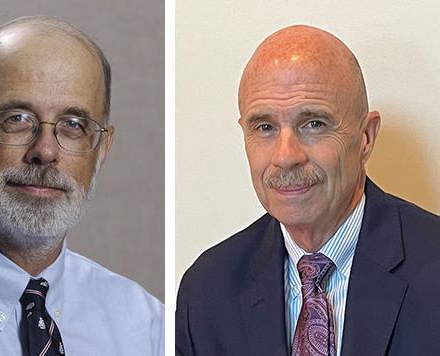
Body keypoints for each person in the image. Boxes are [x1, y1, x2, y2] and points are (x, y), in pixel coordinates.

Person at [0, 16, 163, 355]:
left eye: (73, 124)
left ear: (101, 151)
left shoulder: (146, 326)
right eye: (17, 119)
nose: (46, 151)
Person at [176, 25, 440, 356]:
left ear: (366, 138)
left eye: (313, 124)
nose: (286, 157)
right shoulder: (206, 292)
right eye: (265, 127)